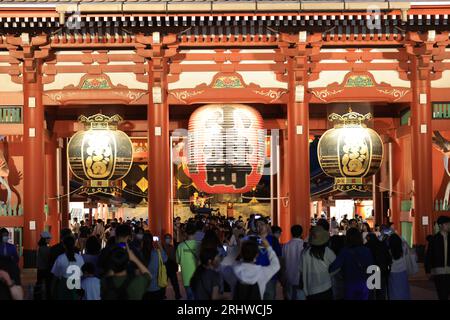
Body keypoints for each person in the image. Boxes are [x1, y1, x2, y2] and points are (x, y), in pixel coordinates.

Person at [329, 228, 374, 300]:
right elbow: (371, 267)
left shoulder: (345, 251)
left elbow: (334, 267)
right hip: (364, 283)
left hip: (350, 284)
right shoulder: (366, 250)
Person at [300, 226, 335, 300]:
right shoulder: (327, 251)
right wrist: (330, 274)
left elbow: (301, 270)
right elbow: (336, 265)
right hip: (326, 287)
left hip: (310, 290)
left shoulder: (304, 253)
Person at [51, 236, 84, 300]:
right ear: (74, 244)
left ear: (64, 245)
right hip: (76, 286)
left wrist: (52, 290)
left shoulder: (60, 258)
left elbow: (55, 276)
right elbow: (82, 275)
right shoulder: (80, 258)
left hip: (63, 286)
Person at [425, 215, 450, 300]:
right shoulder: (434, 239)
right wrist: (428, 270)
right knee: (442, 295)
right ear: (440, 226)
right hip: (439, 272)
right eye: (446, 224)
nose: (449, 226)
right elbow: (429, 255)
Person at [365, 233, 392, 300]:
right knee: (381, 291)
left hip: (370, 270)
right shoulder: (382, 244)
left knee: (370, 292)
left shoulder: (366, 246)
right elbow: (388, 257)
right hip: (381, 270)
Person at [142, 233, 168, 300]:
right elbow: (165, 259)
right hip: (156, 286)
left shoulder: (139, 254)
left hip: (143, 288)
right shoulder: (156, 253)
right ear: (152, 241)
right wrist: (160, 246)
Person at [176, 222, 198, 300]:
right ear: (195, 232)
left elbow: (178, 261)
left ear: (185, 232)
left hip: (186, 277)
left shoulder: (180, 246)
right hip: (199, 277)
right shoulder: (200, 245)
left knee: (190, 297)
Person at [282, 225, 305, 300]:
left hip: (288, 275)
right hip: (300, 276)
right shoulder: (303, 245)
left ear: (291, 233)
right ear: (302, 233)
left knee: (290, 296)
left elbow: (283, 261)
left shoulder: (286, 245)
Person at [388, 233, 411, 300]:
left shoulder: (389, 250)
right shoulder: (403, 248)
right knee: (404, 289)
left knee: (394, 290)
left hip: (392, 272)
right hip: (403, 271)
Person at [162, 234, 182, 300]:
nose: (168, 239)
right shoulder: (162, 247)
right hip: (167, 267)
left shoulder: (170, 247)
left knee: (173, 282)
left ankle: (177, 294)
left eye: (169, 238)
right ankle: (177, 295)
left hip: (170, 267)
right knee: (166, 282)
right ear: (164, 239)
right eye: (167, 238)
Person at [35, 231, 52, 300]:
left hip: (40, 268)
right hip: (45, 269)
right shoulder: (45, 248)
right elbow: (47, 259)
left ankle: (37, 296)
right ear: (45, 239)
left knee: (39, 283)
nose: (50, 240)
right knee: (47, 284)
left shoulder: (41, 247)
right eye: (49, 238)